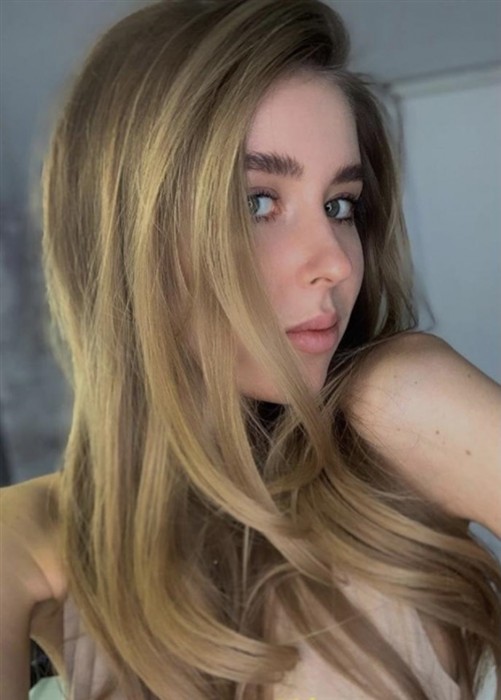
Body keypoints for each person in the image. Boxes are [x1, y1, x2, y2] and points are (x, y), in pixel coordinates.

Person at [1, 1, 500, 699]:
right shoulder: (41, 543)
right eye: (255, 203)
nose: (335, 261)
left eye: (340, 205)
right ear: (126, 236)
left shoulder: (396, 404)